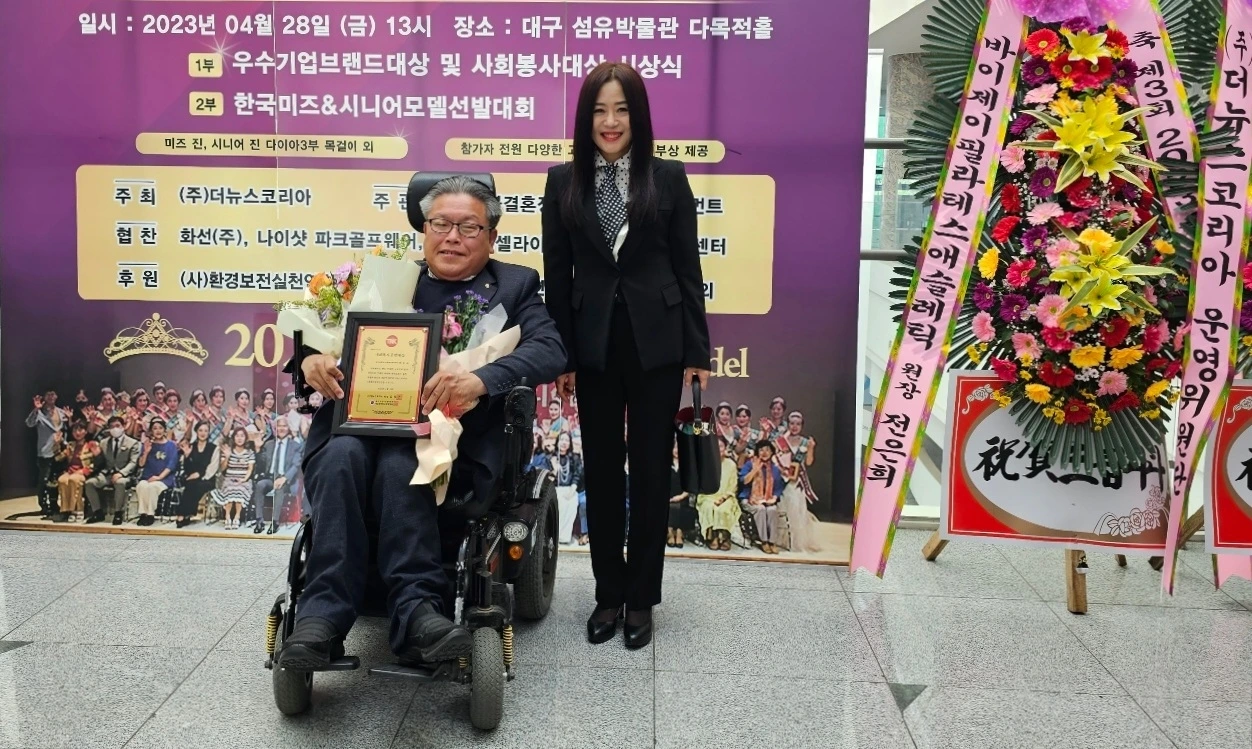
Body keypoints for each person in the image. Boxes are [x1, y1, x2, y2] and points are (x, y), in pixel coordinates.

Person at [276, 174, 565, 672]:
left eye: (468, 227)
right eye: (440, 224)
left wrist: (480, 380)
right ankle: (320, 618)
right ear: (423, 229)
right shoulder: (384, 279)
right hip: (359, 428)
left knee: (402, 464)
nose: (452, 237)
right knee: (341, 456)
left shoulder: (514, 286)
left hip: (451, 442)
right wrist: (309, 360)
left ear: (491, 236)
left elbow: (550, 349)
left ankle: (417, 612)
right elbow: (319, 337)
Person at [542, 61, 711, 649]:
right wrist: (562, 356)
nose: (610, 122)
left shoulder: (668, 178)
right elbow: (557, 276)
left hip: (657, 343)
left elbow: (688, 268)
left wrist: (698, 350)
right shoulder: (562, 182)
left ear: (637, 116)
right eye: (598, 110)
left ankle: (641, 597)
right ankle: (607, 593)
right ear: (585, 118)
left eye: (620, 109)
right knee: (603, 470)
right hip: (593, 347)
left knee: (650, 470)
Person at [776, 411, 822, 553]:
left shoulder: (805, 442)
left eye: (798, 424)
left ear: (802, 426)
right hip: (783, 480)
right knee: (783, 510)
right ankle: (782, 541)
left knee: (797, 510)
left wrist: (811, 448)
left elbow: (808, 462)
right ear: (788, 424)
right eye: (792, 423)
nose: (794, 426)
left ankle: (796, 542)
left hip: (797, 482)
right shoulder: (781, 440)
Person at [85, 415, 141, 525]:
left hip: (125, 475)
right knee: (90, 483)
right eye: (112, 426)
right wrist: (97, 456)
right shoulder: (103, 443)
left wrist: (121, 473)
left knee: (120, 483)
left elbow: (133, 463)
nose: (115, 429)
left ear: (123, 427)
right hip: (107, 474)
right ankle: (97, 512)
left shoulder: (133, 443)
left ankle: (118, 513)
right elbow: (100, 464)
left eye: (117, 426)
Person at [252, 417, 302, 535]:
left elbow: (296, 465)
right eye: (279, 426)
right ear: (275, 428)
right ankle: (259, 521)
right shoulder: (269, 444)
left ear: (288, 428)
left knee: (280, 488)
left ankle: (275, 522)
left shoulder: (295, 446)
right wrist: (258, 449)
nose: (281, 428)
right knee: (260, 485)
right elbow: (261, 464)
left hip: (286, 479)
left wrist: (284, 478)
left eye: (284, 426)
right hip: (270, 478)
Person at [697, 438, 742, 551]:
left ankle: (724, 538)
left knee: (723, 509)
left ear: (725, 448)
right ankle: (713, 538)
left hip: (727, 497)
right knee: (709, 507)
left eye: (720, 446)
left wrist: (723, 498)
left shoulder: (731, 464)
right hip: (707, 496)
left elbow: (733, 486)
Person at [740, 441, 785, 554]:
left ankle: (772, 542)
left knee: (772, 510)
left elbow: (778, 487)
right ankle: (764, 541)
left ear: (772, 452)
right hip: (749, 499)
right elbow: (744, 481)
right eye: (761, 450)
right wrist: (755, 470)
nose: (764, 453)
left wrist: (774, 498)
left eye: (767, 450)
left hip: (767, 499)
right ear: (757, 452)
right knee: (760, 509)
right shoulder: (749, 464)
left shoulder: (774, 468)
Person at [25, 390, 64, 517]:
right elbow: (29, 423)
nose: (51, 397)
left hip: (58, 451)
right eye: (48, 394)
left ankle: (54, 504)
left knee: (55, 480)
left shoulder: (61, 412)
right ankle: (43, 505)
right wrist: (36, 409)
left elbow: (64, 429)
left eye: (53, 394)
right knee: (44, 480)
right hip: (45, 451)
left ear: (56, 396)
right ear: (44, 397)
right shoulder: (40, 413)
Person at [53, 420, 99, 523]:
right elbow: (58, 458)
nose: (77, 433)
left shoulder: (91, 444)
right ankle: (66, 510)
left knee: (74, 480)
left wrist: (83, 471)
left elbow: (95, 463)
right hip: (70, 472)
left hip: (83, 472)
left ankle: (79, 510)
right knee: (62, 480)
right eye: (75, 430)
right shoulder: (71, 445)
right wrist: (56, 444)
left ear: (85, 431)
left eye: (80, 430)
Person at [135, 420, 178, 527]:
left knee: (152, 487)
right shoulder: (148, 445)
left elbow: (171, 466)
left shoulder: (171, 446)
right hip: (148, 477)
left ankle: (150, 514)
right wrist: (146, 452)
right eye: (155, 428)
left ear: (164, 430)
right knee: (141, 486)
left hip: (164, 479)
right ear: (151, 431)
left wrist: (159, 477)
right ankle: (143, 514)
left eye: (160, 428)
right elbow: (141, 464)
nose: (158, 431)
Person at [177, 420, 219, 528]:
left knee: (194, 485)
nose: (203, 433)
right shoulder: (191, 446)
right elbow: (187, 469)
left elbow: (213, 468)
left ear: (209, 433)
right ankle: (186, 515)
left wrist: (200, 475)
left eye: (206, 431)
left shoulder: (214, 448)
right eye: (200, 430)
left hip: (207, 479)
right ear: (196, 431)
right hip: (191, 477)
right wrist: (187, 456)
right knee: (191, 484)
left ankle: (182, 515)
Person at [215, 427, 256, 530]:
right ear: (233, 438)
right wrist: (227, 457)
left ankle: (237, 517)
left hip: (244, 479)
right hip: (229, 478)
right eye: (237, 436)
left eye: (242, 436)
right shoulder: (228, 450)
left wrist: (244, 479)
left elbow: (250, 469)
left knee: (240, 489)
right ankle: (227, 517)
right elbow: (222, 468)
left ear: (245, 438)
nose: (239, 438)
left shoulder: (250, 452)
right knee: (230, 488)